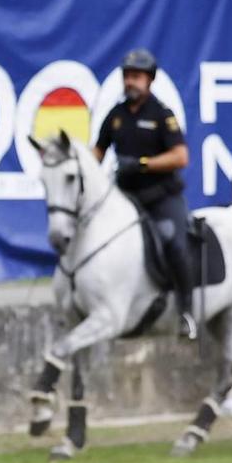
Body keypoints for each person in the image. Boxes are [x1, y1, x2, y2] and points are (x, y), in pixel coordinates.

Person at [96, 47, 195, 337]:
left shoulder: (162, 115)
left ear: (149, 80)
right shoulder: (115, 115)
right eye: (127, 76)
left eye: (137, 76)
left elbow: (181, 157)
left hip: (162, 195)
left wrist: (141, 164)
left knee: (175, 244)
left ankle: (187, 313)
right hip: (126, 198)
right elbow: (97, 152)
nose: (130, 82)